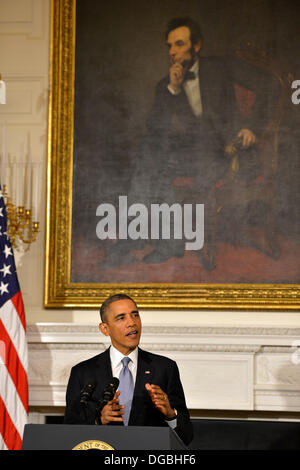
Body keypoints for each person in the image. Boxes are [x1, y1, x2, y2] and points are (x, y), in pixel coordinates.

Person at [64, 293, 193, 446]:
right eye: (121, 318)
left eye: (135, 315)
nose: (132, 322)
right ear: (105, 329)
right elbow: (69, 433)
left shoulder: (164, 368)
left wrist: (170, 414)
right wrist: (99, 421)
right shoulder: (83, 372)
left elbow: (186, 436)